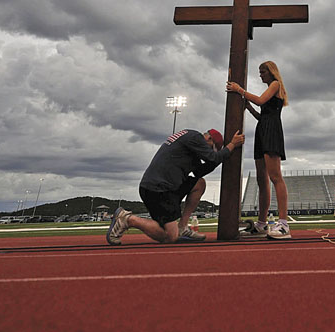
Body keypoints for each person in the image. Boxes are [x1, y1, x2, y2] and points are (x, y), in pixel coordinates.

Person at [107, 128, 244, 245]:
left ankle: (183, 226)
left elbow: (198, 172)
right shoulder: (195, 137)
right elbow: (212, 158)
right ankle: (128, 219)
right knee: (170, 237)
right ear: (208, 138)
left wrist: (219, 157)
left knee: (199, 183)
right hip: (158, 189)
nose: (206, 152)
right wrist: (231, 145)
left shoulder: (189, 142)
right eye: (209, 148)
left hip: (167, 186)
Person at [226, 60, 292, 239]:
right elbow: (263, 116)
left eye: (263, 72)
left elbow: (261, 100)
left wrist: (240, 90)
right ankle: (262, 223)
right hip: (262, 130)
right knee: (262, 180)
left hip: (271, 132)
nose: (260, 75)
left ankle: (284, 224)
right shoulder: (270, 87)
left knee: (275, 176)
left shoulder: (275, 84)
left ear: (271, 72)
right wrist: (248, 108)